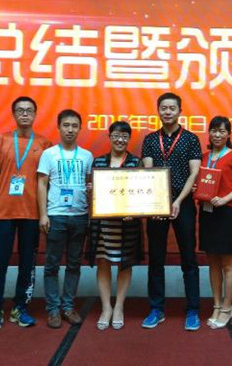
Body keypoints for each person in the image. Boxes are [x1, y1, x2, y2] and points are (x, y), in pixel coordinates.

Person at [0, 96, 52, 331]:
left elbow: (46, 181)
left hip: (32, 213)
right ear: (13, 114)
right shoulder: (0, 140)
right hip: (3, 212)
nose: (25, 114)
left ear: (35, 114)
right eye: (20, 110)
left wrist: (45, 213)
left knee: (27, 263)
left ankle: (20, 307)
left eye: (29, 110)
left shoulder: (44, 143)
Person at [141, 92, 203, 331]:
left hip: (183, 203)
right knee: (156, 258)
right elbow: (149, 172)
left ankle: (193, 309)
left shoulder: (190, 139)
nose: (167, 112)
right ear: (158, 111)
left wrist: (177, 201)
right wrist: (158, 201)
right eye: (163, 108)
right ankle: (156, 308)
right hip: (156, 203)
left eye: (172, 108)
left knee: (189, 258)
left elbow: (194, 172)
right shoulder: (150, 139)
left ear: (179, 111)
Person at [37, 109, 93, 329]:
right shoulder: (48, 154)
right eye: (66, 125)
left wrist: (90, 213)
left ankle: (68, 306)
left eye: (74, 126)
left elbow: (89, 185)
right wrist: (43, 214)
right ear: (59, 127)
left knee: (74, 264)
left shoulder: (86, 156)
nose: (70, 130)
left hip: (79, 216)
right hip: (56, 216)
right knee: (52, 264)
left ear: (80, 128)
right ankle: (53, 309)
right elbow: (42, 184)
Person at [88, 121, 143, 331]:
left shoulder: (135, 162)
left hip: (127, 225)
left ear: (129, 139)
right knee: (103, 262)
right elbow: (93, 193)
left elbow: (142, 192)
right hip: (103, 224)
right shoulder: (99, 162)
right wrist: (91, 189)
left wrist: (134, 211)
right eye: (116, 136)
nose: (120, 140)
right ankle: (106, 307)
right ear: (109, 137)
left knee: (124, 264)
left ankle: (119, 306)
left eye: (124, 137)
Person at [197, 116, 232, 329]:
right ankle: (216, 304)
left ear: (228, 134)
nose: (217, 135)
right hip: (206, 212)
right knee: (212, 262)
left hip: (226, 213)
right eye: (214, 130)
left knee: (227, 263)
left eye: (222, 131)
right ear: (209, 133)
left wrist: (225, 199)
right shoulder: (204, 157)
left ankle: (227, 307)